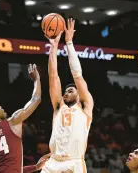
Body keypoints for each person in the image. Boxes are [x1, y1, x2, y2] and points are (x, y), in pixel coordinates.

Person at [41, 18, 94, 173]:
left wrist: (69, 43)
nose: (65, 93)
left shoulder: (85, 106)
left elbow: (77, 75)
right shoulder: (59, 107)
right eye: (65, 92)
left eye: (70, 90)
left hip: (74, 163)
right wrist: (54, 46)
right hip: (53, 163)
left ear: (79, 93)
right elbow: (53, 76)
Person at [0, 64, 42, 173]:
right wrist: (37, 79)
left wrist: (35, 167)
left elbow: (5, 168)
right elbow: (36, 99)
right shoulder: (12, 122)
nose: (1, 107)